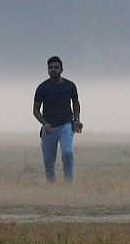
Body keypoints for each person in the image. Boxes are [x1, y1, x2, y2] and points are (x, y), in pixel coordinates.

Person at [33, 55, 82, 183]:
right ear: (47, 70)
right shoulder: (42, 88)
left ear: (61, 69)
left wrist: (76, 119)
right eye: (50, 68)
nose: (53, 70)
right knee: (49, 162)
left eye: (56, 67)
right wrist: (44, 123)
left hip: (66, 124)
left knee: (67, 153)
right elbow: (35, 110)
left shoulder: (70, 86)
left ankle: (68, 184)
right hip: (49, 127)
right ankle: (51, 188)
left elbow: (76, 103)